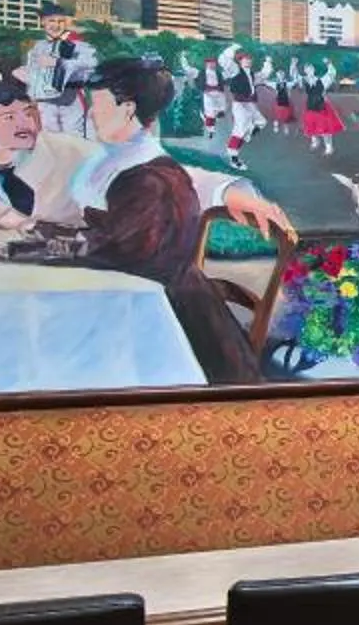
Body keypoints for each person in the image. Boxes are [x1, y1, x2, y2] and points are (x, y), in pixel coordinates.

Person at [0, 77, 289, 246]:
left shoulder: (71, 153)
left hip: (65, 282)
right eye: (10, 117)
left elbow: (162, 176)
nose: (27, 123)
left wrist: (232, 191)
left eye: (29, 110)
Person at [73, 56, 262, 385]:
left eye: (97, 105)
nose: (90, 113)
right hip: (127, 294)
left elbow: (129, 257)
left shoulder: (149, 177)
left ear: (128, 109)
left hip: (158, 311)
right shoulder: (115, 158)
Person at [18, 4, 96, 136]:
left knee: (74, 135)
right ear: (43, 22)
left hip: (70, 97)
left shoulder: (76, 44)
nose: (56, 25)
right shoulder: (37, 47)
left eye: (60, 21)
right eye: (51, 21)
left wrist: (58, 63)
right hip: (45, 100)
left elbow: (90, 64)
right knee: (49, 135)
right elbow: (34, 73)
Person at [219, 44, 262, 167]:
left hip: (250, 104)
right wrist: (232, 49)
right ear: (240, 61)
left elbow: (263, 75)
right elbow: (223, 60)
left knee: (261, 122)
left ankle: (248, 135)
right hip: (239, 104)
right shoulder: (236, 70)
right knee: (240, 129)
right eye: (245, 59)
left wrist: (267, 64)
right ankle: (233, 158)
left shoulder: (252, 74)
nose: (248, 61)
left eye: (249, 59)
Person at [299, 70, 341, 154]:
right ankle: (315, 142)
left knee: (325, 127)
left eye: (310, 69)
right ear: (305, 71)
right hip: (311, 106)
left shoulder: (321, 80)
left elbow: (331, 74)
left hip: (321, 106)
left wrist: (329, 64)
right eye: (307, 69)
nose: (309, 71)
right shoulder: (304, 80)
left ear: (313, 70)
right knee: (311, 125)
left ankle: (329, 147)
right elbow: (295, 76)